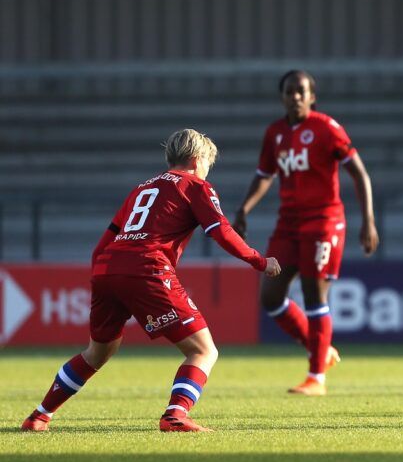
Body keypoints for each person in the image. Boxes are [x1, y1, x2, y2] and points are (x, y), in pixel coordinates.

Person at [20, 129, 281, 433]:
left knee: (97, 352)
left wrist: (103, 279)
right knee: (203, 350)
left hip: (107, 268)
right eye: (208, 164)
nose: (207, 171)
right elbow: (220, 230)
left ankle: (39, 416)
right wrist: (259, 261)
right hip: (147, 269)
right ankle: (175, 415)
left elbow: (102, 245)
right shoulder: (196, 186)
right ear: (197, 160)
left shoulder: (141, 188)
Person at [233, 70, 379, 396]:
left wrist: (367, 220)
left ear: (312, 96)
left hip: (324, 222)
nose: (295, 96)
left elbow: (359, 173)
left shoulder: (326, 128)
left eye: (302, 91)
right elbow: (263, 175)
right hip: (288, 224)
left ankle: (316, 378)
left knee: (314, 294)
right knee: (270, 296)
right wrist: (244, 208)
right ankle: (321, 351)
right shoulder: (274, 134)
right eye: (289, 91)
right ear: (282, 96)